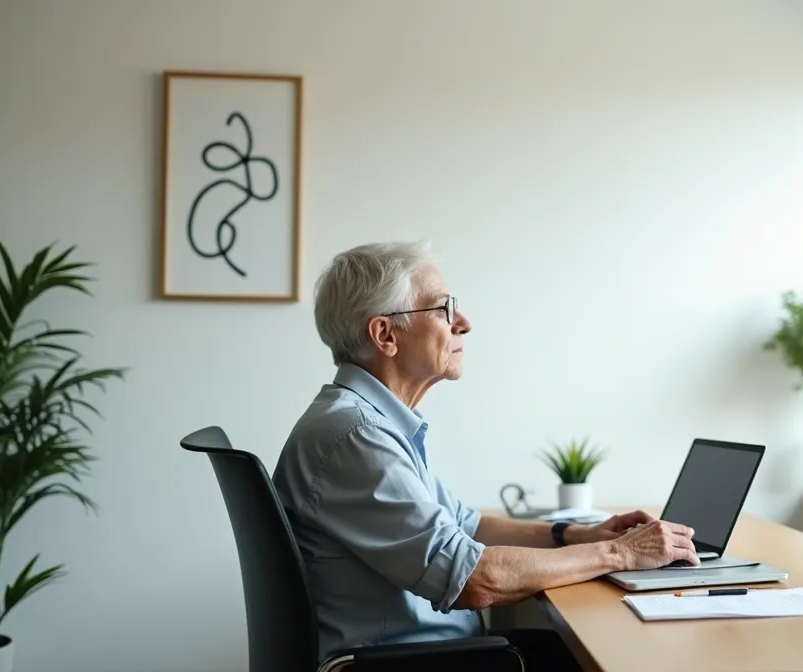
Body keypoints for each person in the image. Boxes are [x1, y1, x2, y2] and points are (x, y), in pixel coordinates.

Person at [272, 241, 699, 670]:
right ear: (385, 334)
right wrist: (621, 554)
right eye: (443, 309)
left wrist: (575, 536)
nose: (464, 323)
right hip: (403, 663)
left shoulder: (369, 422)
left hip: (423, 652)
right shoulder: (356, 434)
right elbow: (474, 580)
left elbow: (467, 524)